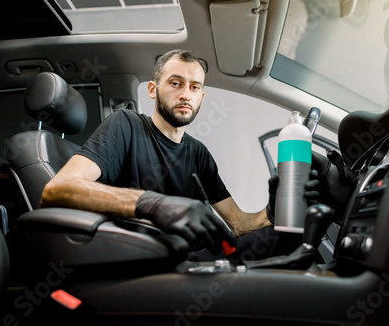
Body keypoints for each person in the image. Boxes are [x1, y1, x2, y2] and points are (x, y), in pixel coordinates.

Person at [41, 49, 305, 260]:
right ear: (153, 90)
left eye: (193, 88)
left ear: (201, 96)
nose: (185, 95)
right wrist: (155, 204)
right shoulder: (126, 125)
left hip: (192, 257)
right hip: (146, 259)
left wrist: (273, 210)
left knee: (285, 236)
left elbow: (238, 223)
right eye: (176, 83)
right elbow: (56, 189)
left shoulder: (198, 153)